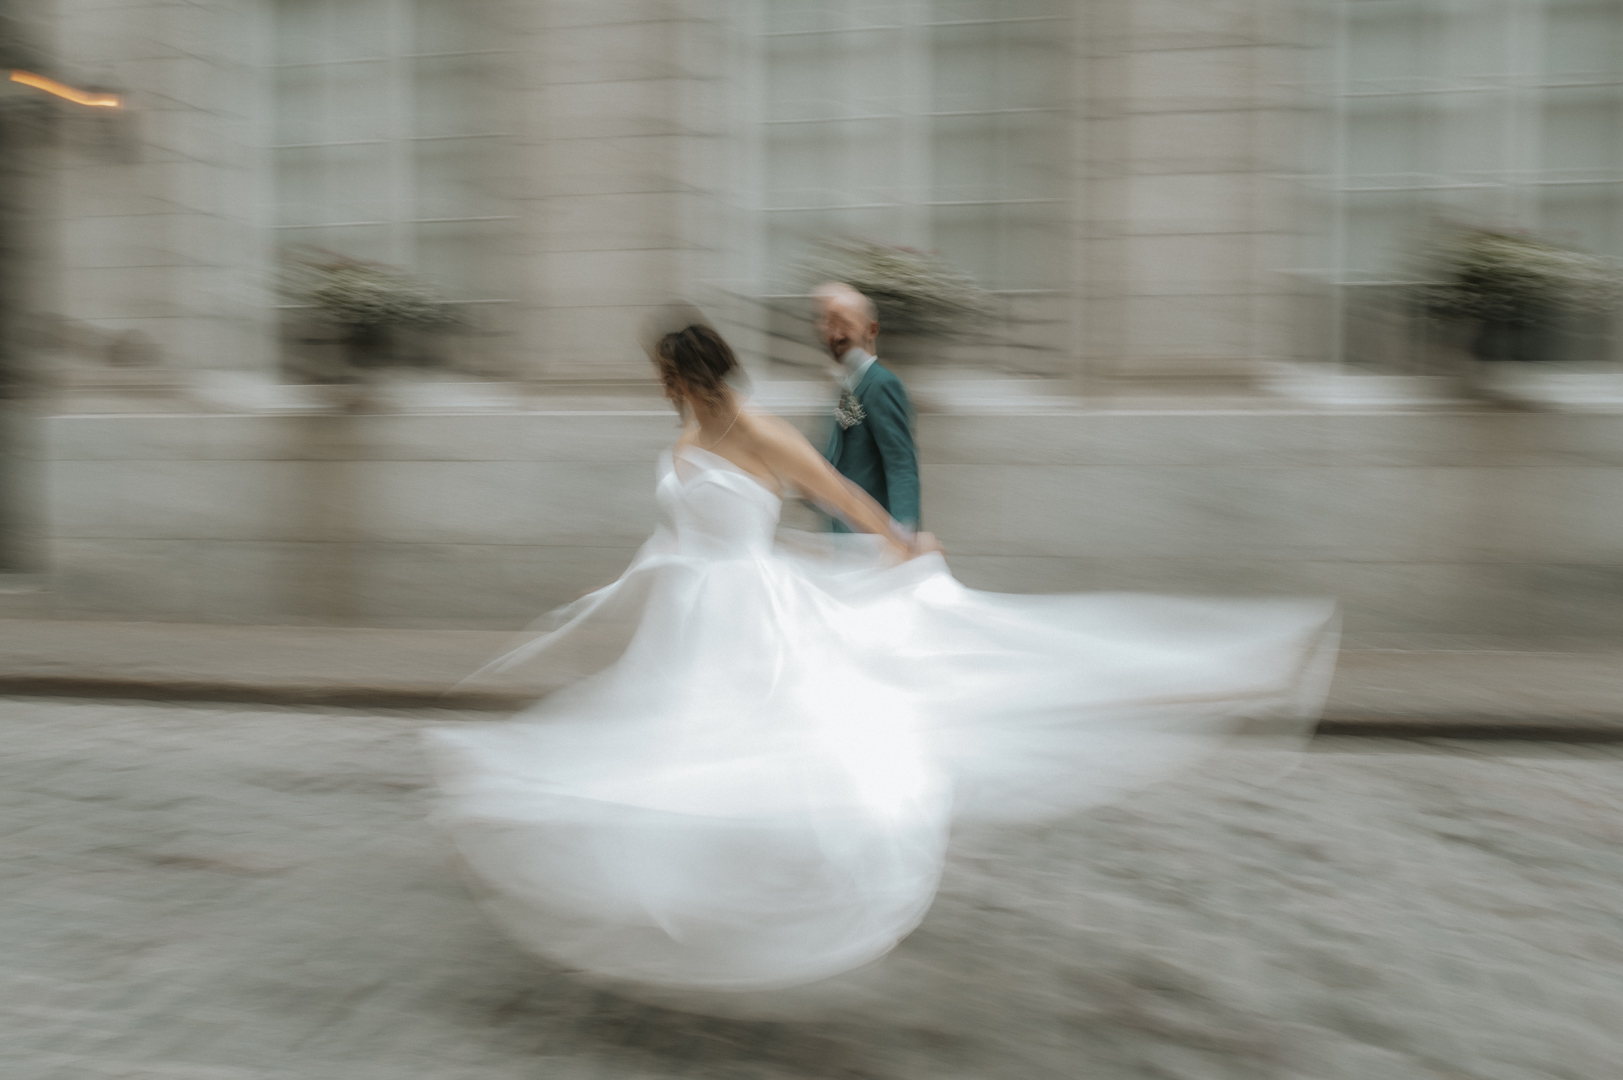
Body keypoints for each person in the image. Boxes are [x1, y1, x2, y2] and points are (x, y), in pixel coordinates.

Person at [424, 317, 1338, 995]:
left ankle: (794, 875)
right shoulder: (685, 437)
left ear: (689, 372)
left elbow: (837, 497)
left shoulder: (761, 432)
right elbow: (688, 526)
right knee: (675, 745)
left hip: (748, 614)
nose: (657, 386)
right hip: (689, 616)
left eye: (663, 372)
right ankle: (677, 878)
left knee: (791, 737)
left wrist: (900, 543)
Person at [814, 283, 920, 533]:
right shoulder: (847, 384)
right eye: (830, 325)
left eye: (845, 325)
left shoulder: (882, 384)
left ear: (871, 330)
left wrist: (905, 529)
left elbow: (901, 462)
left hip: (872, 535)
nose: (835, 335)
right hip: (844, 531)